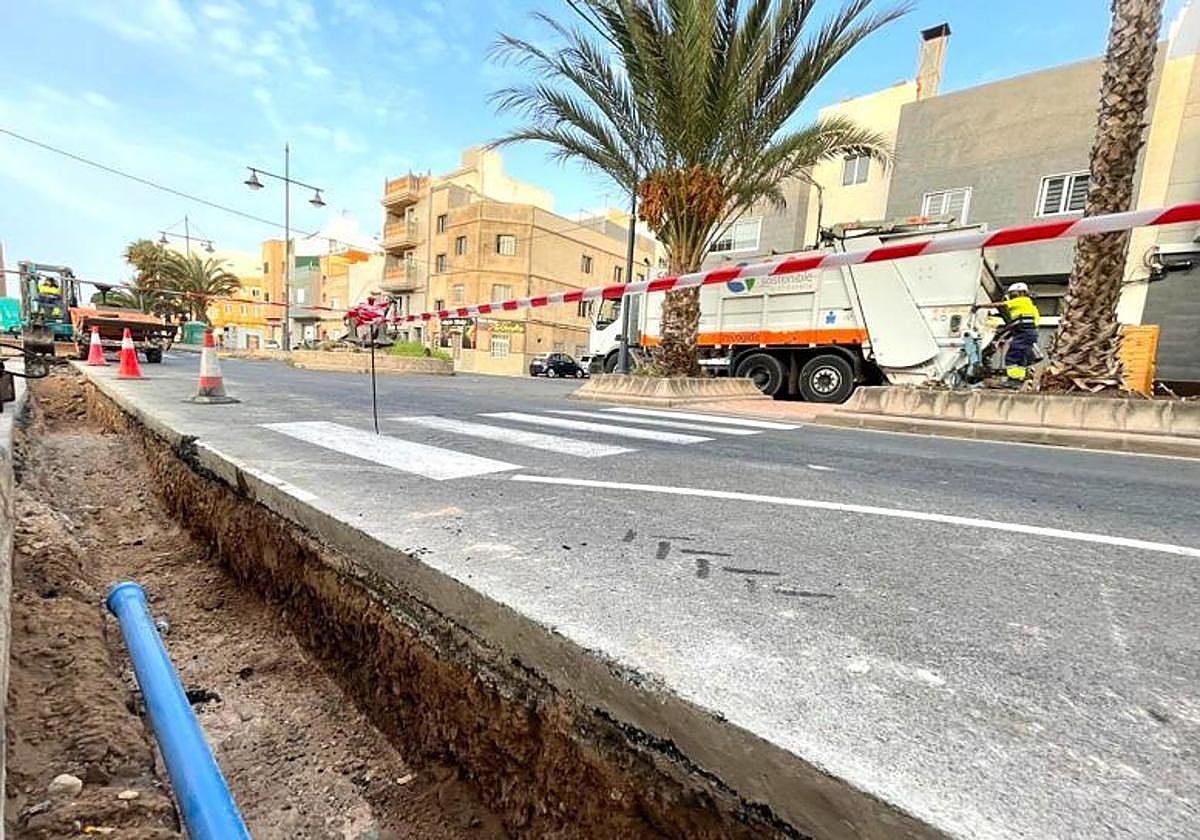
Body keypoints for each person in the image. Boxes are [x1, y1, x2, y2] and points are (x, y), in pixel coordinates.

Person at [988, 282, 1041, 385]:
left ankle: (1013, 380)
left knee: (1012, 357)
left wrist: (980, 306)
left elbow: (1002, 305)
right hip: (1028, 333)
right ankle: (1020, 379)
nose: (1012, 296)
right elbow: (1016, 322)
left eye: (1013, 293)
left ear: (1021, 293)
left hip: (1024, 333)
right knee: (1021, 358)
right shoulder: (1029, 306)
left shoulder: (1022, 300)